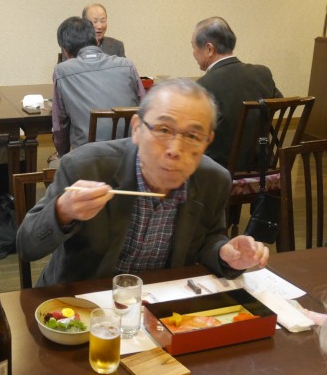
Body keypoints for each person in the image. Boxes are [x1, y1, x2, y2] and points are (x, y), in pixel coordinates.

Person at [17, 78, 269, 287]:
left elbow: (207, 240)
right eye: (163, 130)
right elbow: (27, 246)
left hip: (161, 305)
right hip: (82, 306)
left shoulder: (214, 180)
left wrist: (225, 254)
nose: (175, 149)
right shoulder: (85, 167)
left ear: (207, 141)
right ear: (137, 128)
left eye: (193, 136)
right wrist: (63, 211)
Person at [192, 16, 283, 170]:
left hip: (221, 171)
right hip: (262, 165)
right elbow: (279, 104)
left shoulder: (204, 86)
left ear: (209, 49)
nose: (193, 53)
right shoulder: (263, 73)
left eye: (194, 46)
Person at [52, 16, 140, 158]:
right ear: (96, 41)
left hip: (87, 160)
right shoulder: (127, 65)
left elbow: (59, 126)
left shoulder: (62, 71)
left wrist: (62, 154)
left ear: (65, 51)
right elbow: (145, 108)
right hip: (131, 156)